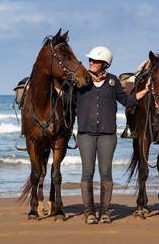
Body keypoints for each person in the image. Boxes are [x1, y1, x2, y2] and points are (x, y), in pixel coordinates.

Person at [54, 46, 149, 224]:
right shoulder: (81, 81)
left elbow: (126, 101)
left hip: (107, 135)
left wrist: (145, 90)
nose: (91, 63)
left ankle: (105, 212)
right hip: (85, 134)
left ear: (105, 64)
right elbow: (69, 99)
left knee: (106, 174)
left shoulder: (113, 82)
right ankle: (89, 212)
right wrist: (56, 86)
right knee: (87, 173)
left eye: (95, 61)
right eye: (90, 60)